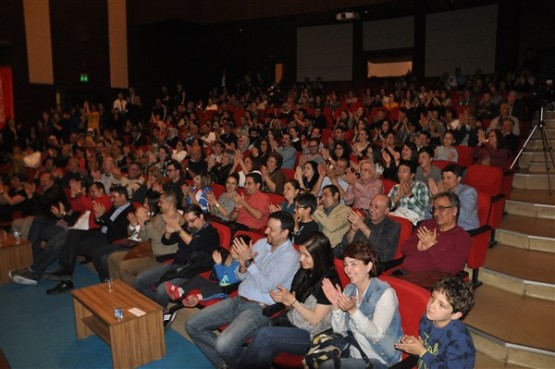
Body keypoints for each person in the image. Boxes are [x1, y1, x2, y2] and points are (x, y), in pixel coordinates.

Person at [185, 211, 300, 368]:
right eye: (267, 227)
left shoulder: (290, 257)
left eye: (271, 229)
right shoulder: (261, 244)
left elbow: (266, 286)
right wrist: (242, 265)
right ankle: (226, 364)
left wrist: (249, 261)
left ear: (285, 232)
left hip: (260, 309)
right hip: (238, 300)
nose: (266, 231)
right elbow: (239, 276)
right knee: (192, 324)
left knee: (223, 344)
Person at [235, 232, 339, 369]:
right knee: (257, 338)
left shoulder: (328, 280)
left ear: (319, 256)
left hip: (313, 335)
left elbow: (315, 319)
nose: (301, 259)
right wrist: (286, 301)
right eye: (300, 253)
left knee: (265, 335)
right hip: (293, 320)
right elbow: (294, 305)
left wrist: (293, 302)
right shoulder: (305, 271)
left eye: (306, 255)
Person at [321, 242, 403, 369]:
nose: (348, 269)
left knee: (328, 366)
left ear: (369, 266)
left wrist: (353, 310)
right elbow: (340, 332)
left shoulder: (384, 293)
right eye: (346, 265)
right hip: (355, 353)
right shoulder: (349, 290)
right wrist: (336, 307)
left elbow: (376, 335)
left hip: (380, 359)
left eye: (354, 264)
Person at [45, 185, 134, 294]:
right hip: (100, 233)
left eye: (114, 197)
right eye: (111, 197)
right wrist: (99, 217)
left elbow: (118, 232)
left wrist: (103, 216)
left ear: (123, 196)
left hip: (109, 239)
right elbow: (101, 222)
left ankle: (65, 279)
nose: (112, 200)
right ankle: (65, 271)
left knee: (71, 245)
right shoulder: (115, 207)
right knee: (73, 233)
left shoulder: (130, 211)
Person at [394, 276, 476, 369]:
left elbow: (426, 354)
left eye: (441, 305)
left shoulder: (460, 340)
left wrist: (422, 352)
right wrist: (415, 347)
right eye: (433, 297)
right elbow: (428, 354)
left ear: (455, 315)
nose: (431, 305)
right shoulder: (426, 320)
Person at [396, 192, 471, 289]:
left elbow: (450, 269)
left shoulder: (463, 238)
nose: (435, 213)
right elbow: (405, 249)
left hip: (431, 285)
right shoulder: (427, 225)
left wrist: (432, 246)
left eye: (441, 209)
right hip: (405, 274)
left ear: (454, 211)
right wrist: (418, 248)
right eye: (434, 209)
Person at [107, 191, 181, 285]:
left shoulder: (176, 220)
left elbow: (160, 239)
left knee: (125, 267)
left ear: (170, 205)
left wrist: (146, 221)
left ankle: (133, 295)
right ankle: (118, 288)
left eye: (161, 202)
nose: (158, 204)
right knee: (113, 258)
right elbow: (146, 238)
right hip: (148, 252)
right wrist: (142, 226)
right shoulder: (160, 215)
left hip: (161, 258)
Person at [165, 235, 251, 307]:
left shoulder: (242, 265)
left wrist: (227, 266)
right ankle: (179, 292)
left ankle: (196, 298)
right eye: (233, 246)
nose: (233, 250)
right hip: (220, 284)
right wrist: (218, 264)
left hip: (226, 292)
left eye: (236, 248)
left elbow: (231, 282)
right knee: (198, 279)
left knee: (216, 289)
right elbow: (222, 279)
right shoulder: (229, 259)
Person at [336, 194, 400, 261]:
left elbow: (381, 245)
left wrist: (362, 225)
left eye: (376, 207)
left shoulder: (393, 226)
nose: (371, 210)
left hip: (373, 262)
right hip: (352, 257)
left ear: (386, 211)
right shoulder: (365, 220)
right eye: (371, 205)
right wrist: (353, 230)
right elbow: (345, 244)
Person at [428, 163, 479, 231]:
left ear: (458, 179)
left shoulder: (468, 192)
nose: (445, 181)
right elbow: (427, 215)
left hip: (464, 228)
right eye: (443, 178)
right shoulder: (442, 191)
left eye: (448, 178)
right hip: (443, 226)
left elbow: (462, 216)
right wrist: (436, 197)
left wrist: (441, 196)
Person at [388, 160, 430, 225]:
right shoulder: (396, 187)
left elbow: (423, 211)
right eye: (399, 171)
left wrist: (409, 194)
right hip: (399, 218)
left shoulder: (421, 186)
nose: (400, 174)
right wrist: (397, 197)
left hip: (415, 222)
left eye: (404, 171)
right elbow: (385, 208)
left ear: (412, 175)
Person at [312, 184, 350, 249]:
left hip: (332, 248)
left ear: (336, 195)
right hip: (315, 244)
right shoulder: (320, 209)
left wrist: (315, 210)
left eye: (326, 195)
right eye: (322, 196)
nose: (322, 199)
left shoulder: (346, 210)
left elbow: (332, 226)